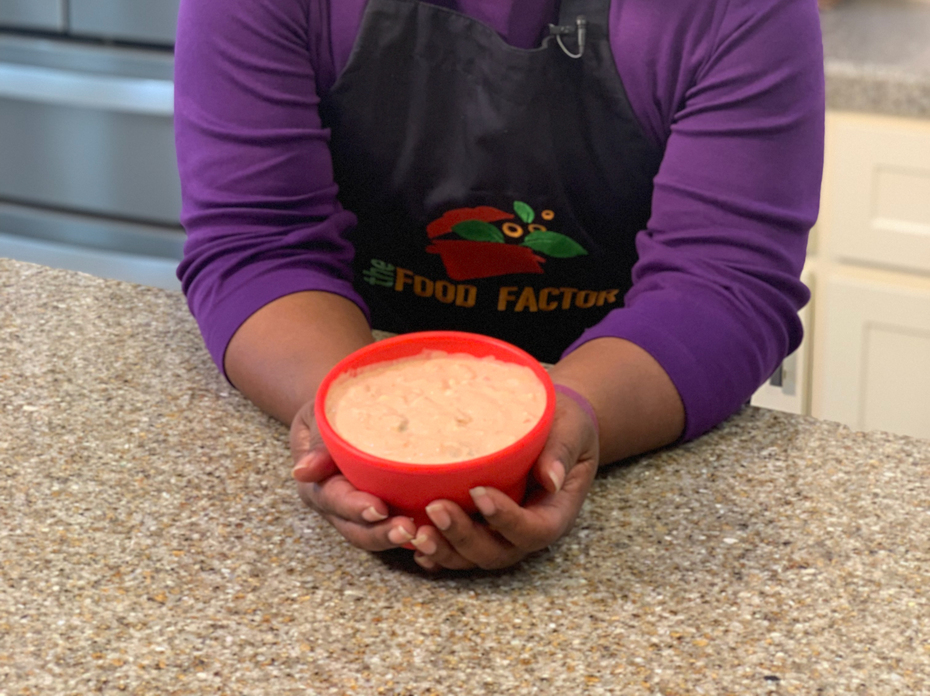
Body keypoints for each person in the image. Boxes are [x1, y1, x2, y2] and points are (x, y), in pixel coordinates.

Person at [173, 0, 825, 571]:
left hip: (631, 404)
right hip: (338, 357)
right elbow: (259, 240)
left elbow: (723, 283)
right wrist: (356, 432)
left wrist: (569, 422)